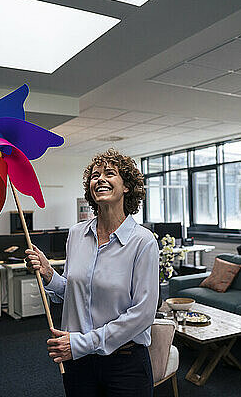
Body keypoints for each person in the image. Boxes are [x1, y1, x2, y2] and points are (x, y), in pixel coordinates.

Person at [26, 149, 159, 396]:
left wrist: (82, 344)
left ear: (127, 187)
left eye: (110, 173)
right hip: (78, 362)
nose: (100, 179)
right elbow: (78, 292)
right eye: (95, 175)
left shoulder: (143, 242)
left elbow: (142, 313)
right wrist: (49, 275)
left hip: (124, 362)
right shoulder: (76, 234)